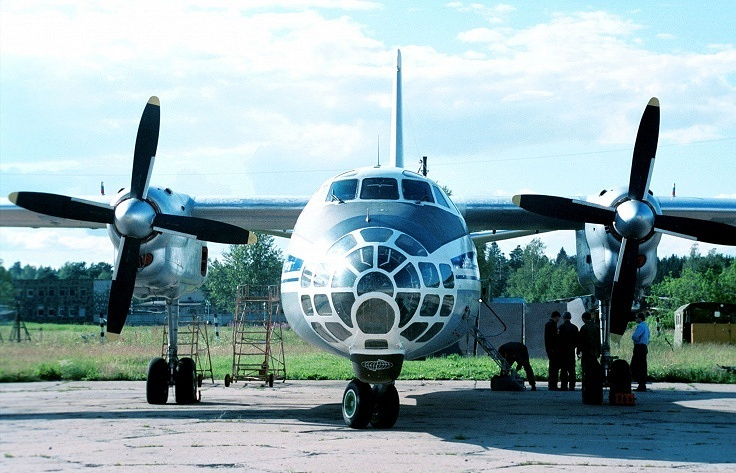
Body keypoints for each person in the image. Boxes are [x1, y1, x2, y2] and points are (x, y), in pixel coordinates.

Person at [577, 311, 602, 403]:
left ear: (584, 319)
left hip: (586, 352)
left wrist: (578, 351)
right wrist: (599, 351)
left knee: (586, 371)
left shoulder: (584, 328)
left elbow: (581, 341)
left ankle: (587, 386)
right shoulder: (596, 327)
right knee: (594, 369)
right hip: (594, 352)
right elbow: (599, 340)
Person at [557, 312, 579, 391]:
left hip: (562, 351)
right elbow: (577, 340)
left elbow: (558, 339)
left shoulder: (561, 327)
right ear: (570, 317)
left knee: (563, 369)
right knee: (572, 368)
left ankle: (564, 385)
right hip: (571, 350)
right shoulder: (574, 328)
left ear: (563, 318)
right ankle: (572, 385)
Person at [630, 313, 650, 392]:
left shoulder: (641, 326)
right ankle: (642, 384)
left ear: (640, 318)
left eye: (636, 318)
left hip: (639, 347)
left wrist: (636, 341)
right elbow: (648, 337)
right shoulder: (646, 326)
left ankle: (639, 382)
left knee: (636, 365)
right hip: (644, 346)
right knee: (642, 365)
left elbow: (635, 336)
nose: (635, 319)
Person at [544, 311, 561, 390]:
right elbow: (551, 338)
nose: (558, 319)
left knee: (553, 368)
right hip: (553, 350)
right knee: (554, 368)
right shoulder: (551, 325)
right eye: (558, 318)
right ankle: (553, 385)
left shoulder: (549, 324)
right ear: (556, 317)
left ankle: (552, 384)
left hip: (551, 350)